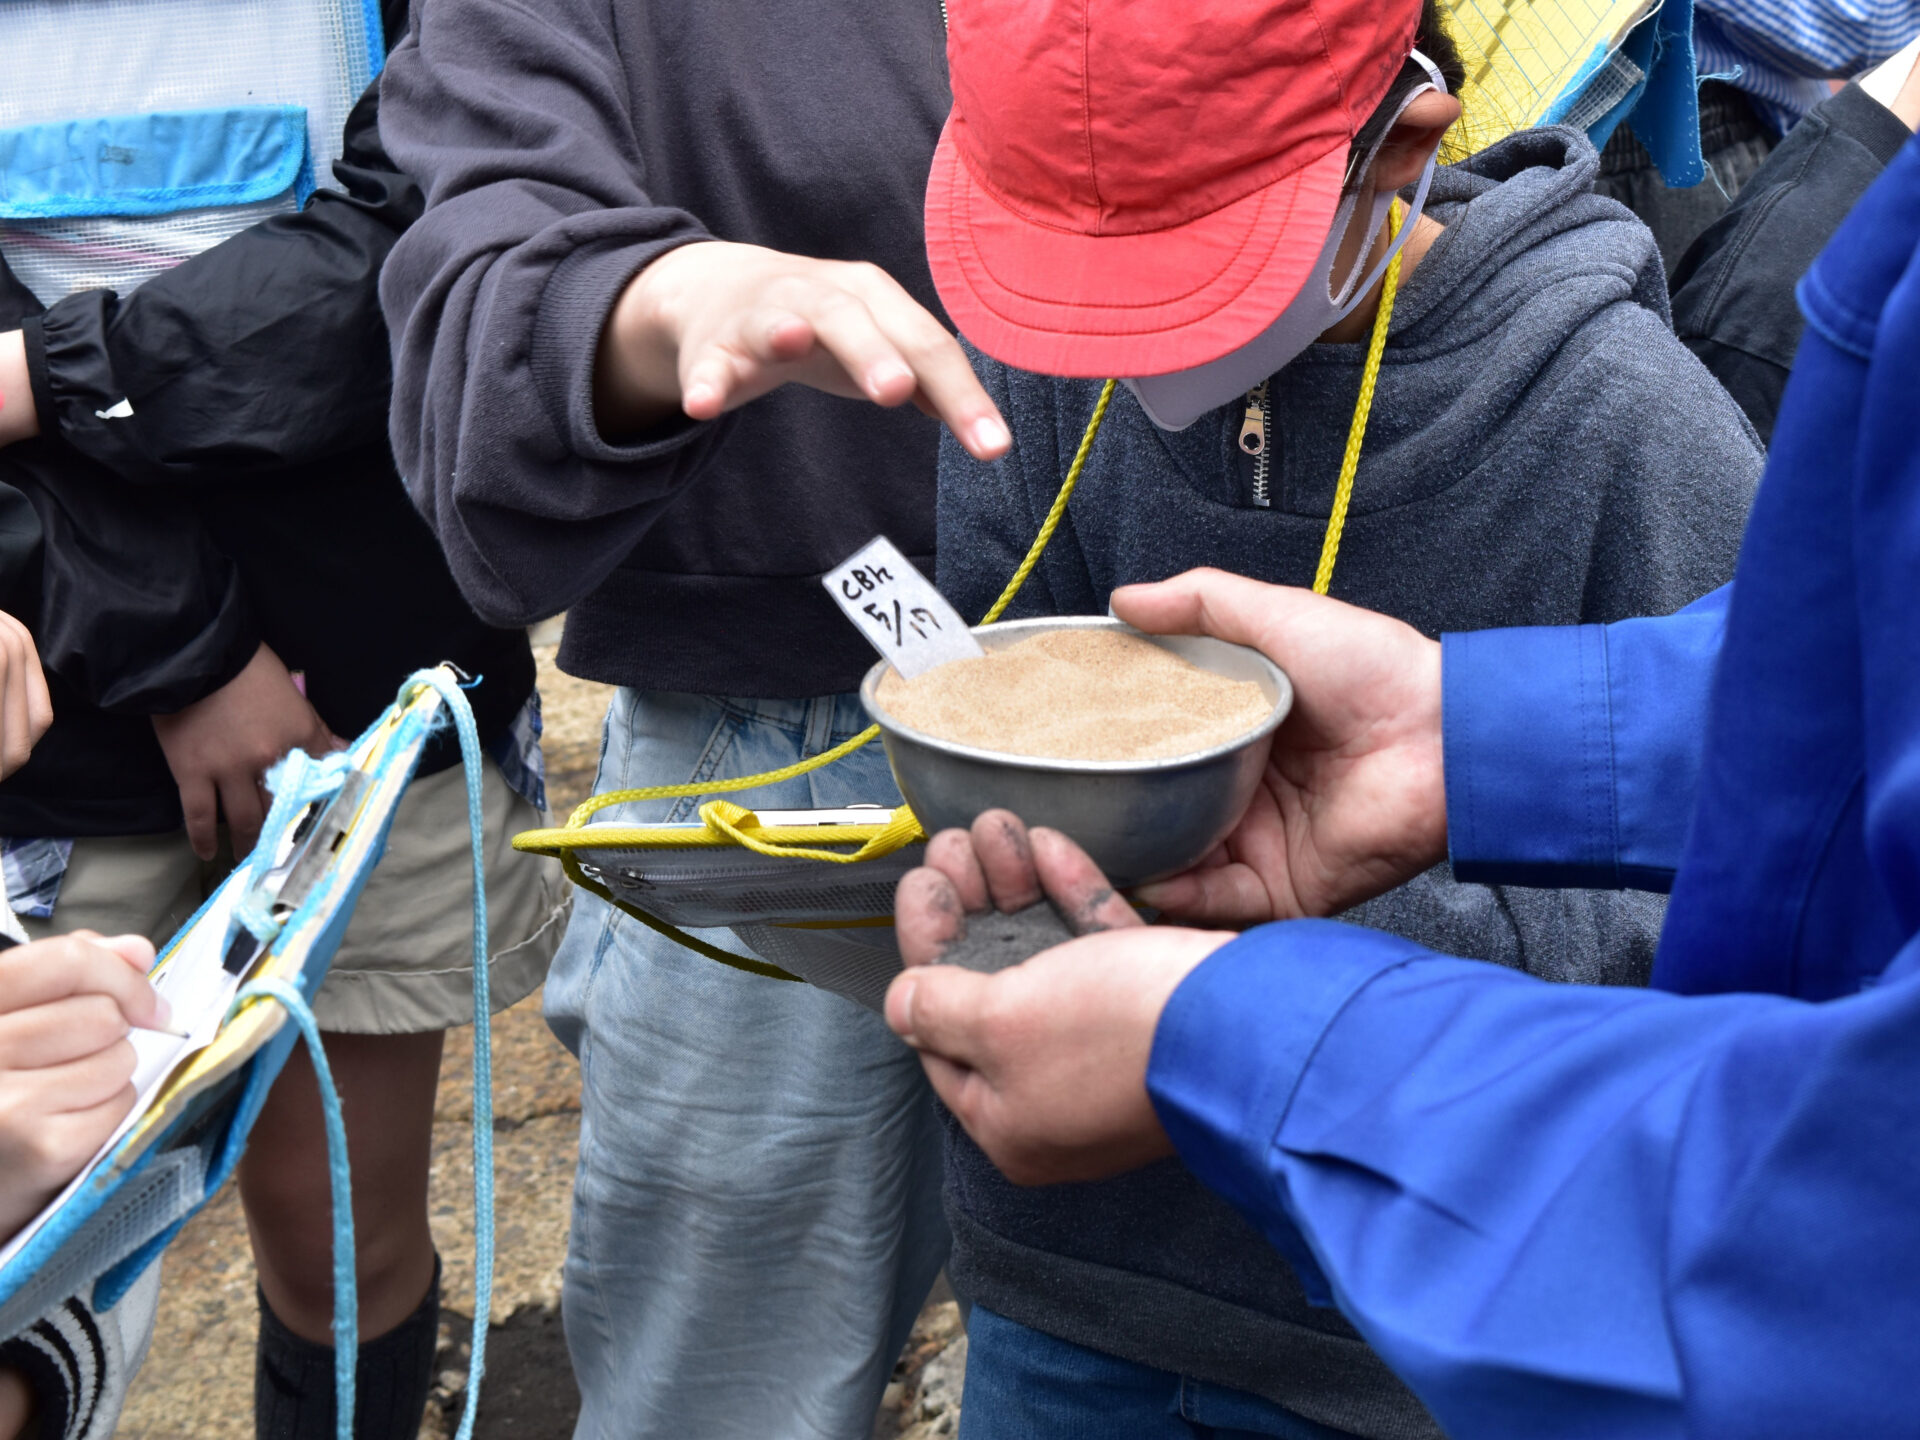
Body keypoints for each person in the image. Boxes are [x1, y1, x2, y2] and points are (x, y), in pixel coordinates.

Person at [883, 127, 1920, 1439]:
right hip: (1077, 1291)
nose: (1128, 326)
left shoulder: (1623, 412)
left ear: (1400, 140)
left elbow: (1829, 1202)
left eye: (1195, 247)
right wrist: (1473, 730)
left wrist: (1230, 1027)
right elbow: (1828, 711)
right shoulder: (1047, 380)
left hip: (1416, 1348)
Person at [375, 0, 1017, 1431]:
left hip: (1163, 726)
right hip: (783, 765)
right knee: (732, 1393)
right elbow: (483, 312)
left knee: (1110, 1352)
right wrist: (657, 304)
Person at [0, 15, 567, 1433]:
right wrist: (180, 642)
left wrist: (37, 383)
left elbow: (416, 255)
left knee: (343, 1247)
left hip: (375, 707)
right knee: (24, 1256)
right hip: (47, 750)